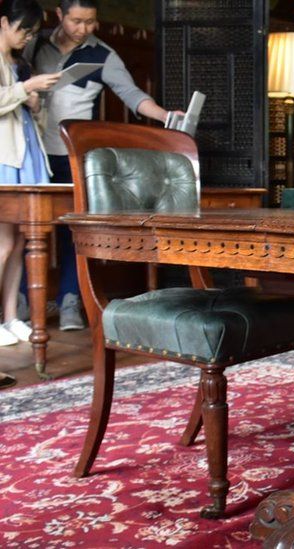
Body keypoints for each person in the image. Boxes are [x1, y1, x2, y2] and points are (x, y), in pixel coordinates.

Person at [25, 0, 174, 331]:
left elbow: (133, 96)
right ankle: (22, 303)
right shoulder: (33, 44)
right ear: (60, 15)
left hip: (72, 155)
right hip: (31, 152)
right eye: (77, 21)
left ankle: (68, 303)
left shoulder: (103, 54)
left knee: (71, 232)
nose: (84, 29)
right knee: (27, 229)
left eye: (91, 22)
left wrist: (166, 116)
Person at [0, 0, 61, 385]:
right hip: (4, 156)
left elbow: (25, 111)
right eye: (23, 30)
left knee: (23, 242)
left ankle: (11, 317)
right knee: (3, 243)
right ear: (4, 22)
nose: (26, 38)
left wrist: (33, 99)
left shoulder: (18, 64)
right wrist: (26, 88)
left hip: (26, 152)